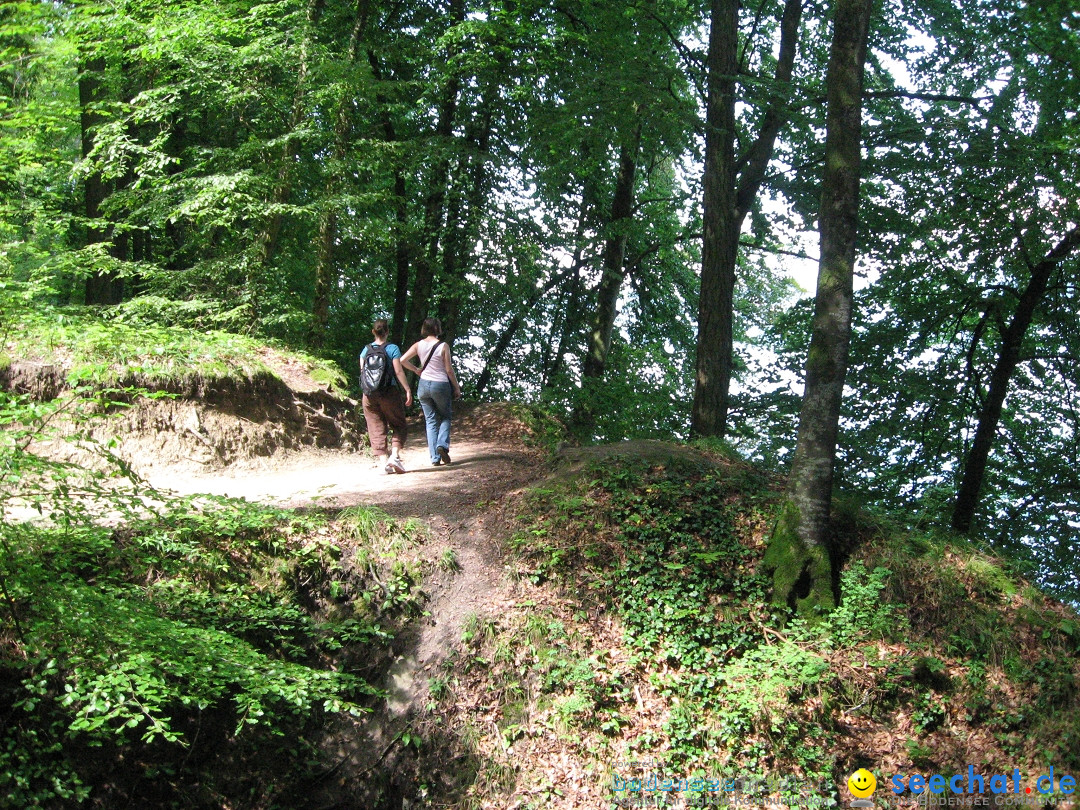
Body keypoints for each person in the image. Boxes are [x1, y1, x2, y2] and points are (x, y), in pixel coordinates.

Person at [401, 317, 461, 466]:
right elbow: (448, 370)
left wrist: (416, 370)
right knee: (446, 416)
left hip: (423, 385)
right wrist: (456, 387)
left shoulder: (418, 345)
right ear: (438, 329)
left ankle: (435, 458)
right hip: (440, 384)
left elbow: (402, 360)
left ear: (424, 329)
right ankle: (442, 445)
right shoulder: (443, 346)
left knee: (431, 420)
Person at [359, 319, 412, 474]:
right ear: (387, 331)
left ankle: (383, 463)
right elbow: (398, 371)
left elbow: (363, 372)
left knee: (375, 426)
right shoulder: (392, 348)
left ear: (373, 332)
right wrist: (407, 389)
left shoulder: (366, 350)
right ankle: (394, 456)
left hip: (369, 394)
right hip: (389, 392)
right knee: (399, 424)